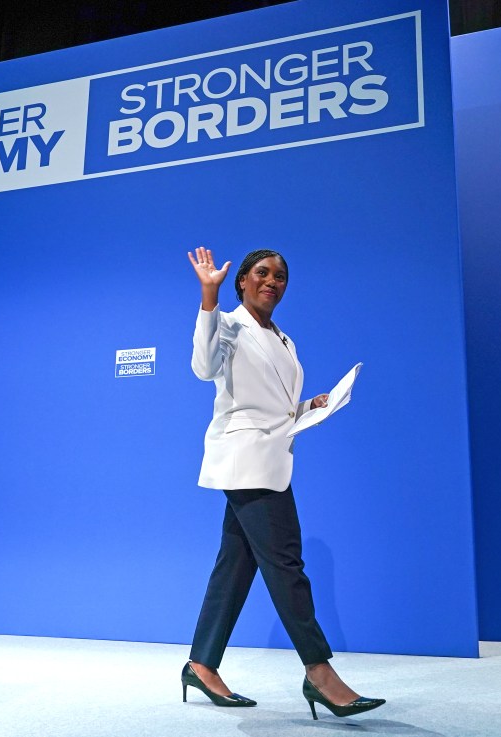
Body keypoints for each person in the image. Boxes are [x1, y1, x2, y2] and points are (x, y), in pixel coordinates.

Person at [180, 246, 385, 720]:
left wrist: (306, 408)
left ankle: (201, 664)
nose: (273, 281)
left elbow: (270, 405)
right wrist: (208, 299)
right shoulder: (227, 324)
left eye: (281, 276)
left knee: (235, 566)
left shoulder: (284, 340)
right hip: (246, 460)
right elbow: (204, 367)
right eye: (262, 273)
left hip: (271, 458)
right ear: (242, 282)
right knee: (287, 566)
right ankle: (320, 674)